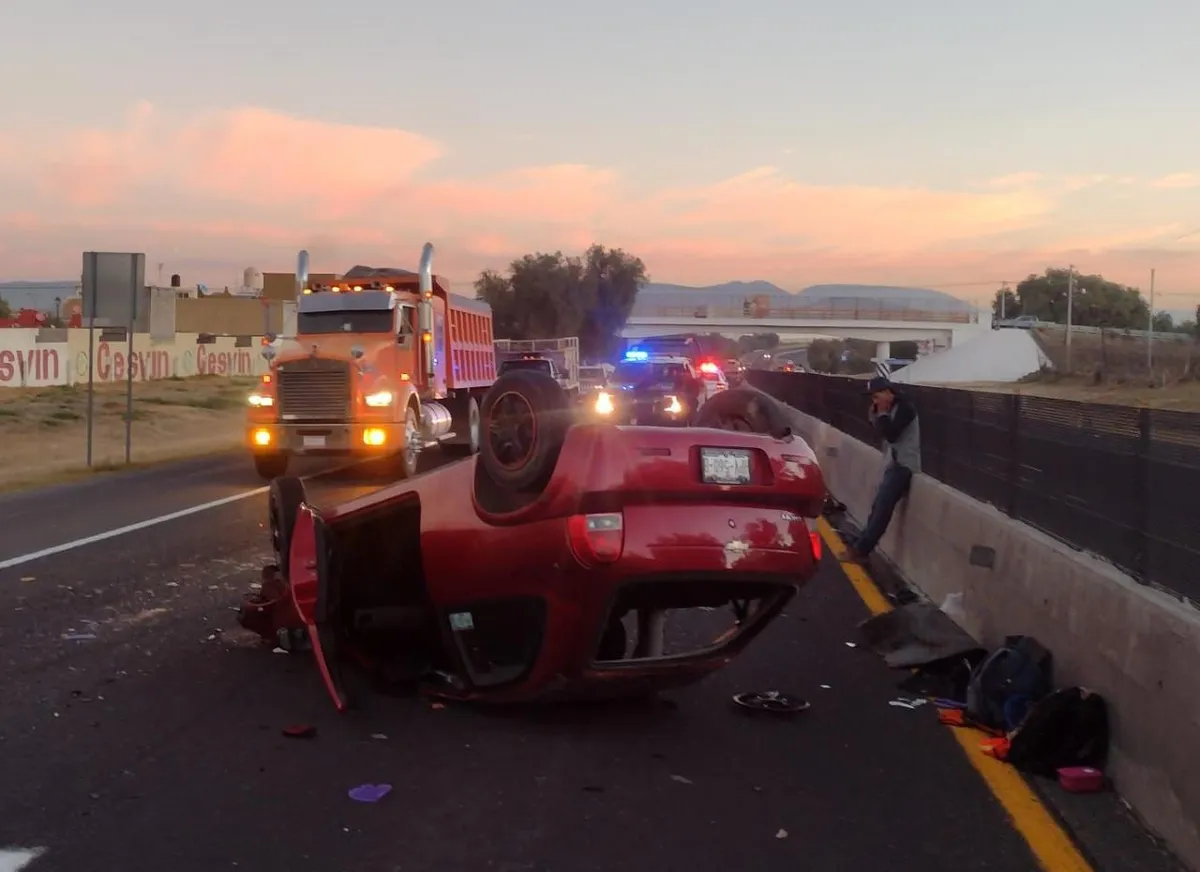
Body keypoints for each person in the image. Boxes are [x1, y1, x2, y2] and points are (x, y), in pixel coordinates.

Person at [843, 376, 920, 562]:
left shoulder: (905, 409)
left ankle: (862, 550)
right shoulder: (886, 409)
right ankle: (861, 542)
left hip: (903, 465)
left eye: (877, 397)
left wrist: (883, 414)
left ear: (888, 393)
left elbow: (892, 435)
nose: (874, 401)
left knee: (883, 509)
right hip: (891, 463)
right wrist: (877, 415)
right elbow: (879, 431)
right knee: (877, 506)